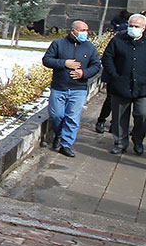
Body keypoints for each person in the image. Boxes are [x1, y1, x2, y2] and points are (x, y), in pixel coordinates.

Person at [100, 13, 146, 155]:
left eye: (136, 26)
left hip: (144, 86)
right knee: (119, 116)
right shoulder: (118, 40)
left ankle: (138, 139)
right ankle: (120, 143)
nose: (132, 28)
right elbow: (108, 58)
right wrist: (115, 76)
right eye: (130, 25)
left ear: (143, 28)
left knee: (143, 114)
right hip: (121, 84)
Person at [41, 20, 101, 157]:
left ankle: (66, 145)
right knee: (56, 115)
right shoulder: (58, 44)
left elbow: (96, 66)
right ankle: (60, 134)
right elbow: (47, 60)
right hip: (59, 87)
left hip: (78, 88)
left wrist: (83, 73)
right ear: (73, 31)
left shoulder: (90, 47)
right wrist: (64, 63)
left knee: (72, 117)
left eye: (86, 30)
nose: (85, 33)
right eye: (82, 30)